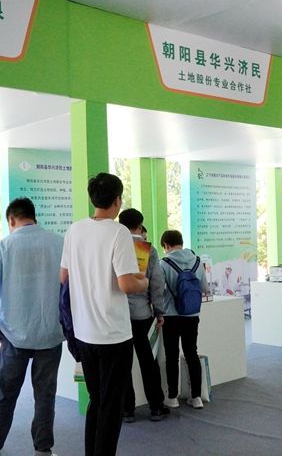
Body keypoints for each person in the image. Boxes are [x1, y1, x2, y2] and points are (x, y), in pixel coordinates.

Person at [59, 173, 148, 456]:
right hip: (113, 334)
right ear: (118, 200)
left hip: (83, 332)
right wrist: (144, 281)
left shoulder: (74, 230)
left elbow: (63, 277)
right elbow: (127, 284)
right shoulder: (118, 232)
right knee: (111, 405)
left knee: (96, 401)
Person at [0, 197, 64, 456]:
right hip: (50, 331)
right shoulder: (59, 243)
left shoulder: (4, 246)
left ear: (11, 220)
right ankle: (43, 449)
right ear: (34, 216)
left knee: (5, 395)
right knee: (45, 396)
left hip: (13, 333)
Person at [118, 208, 169, 422]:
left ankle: (127, 410)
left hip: (118, 314)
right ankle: (156, 407)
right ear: (139, 226)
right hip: (142, 314)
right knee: (149, 361)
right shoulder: (146, 249)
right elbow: (157, 283)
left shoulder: (114, 246)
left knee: (122, 363)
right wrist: (159, 310)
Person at [158, 229, 207, 410]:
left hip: (170, 316)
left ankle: (172, 397)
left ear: (166, 245)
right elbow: (204, 288)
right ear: (181, 242)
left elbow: (158, 290)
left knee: (171, 356)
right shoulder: (197, 261)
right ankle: (196, 397)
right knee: (191, 353)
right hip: (192, 315)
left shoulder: (164, 263)